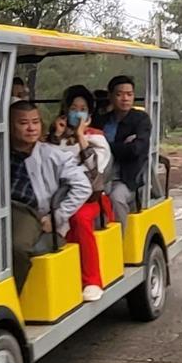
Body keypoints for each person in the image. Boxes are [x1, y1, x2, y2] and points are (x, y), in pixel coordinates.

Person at [5, 99, 90, 290]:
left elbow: (83, 187)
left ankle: (11, 297)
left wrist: (57, 217)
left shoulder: (54, 155)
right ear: (9, 126)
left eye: (35, 122)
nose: (31, 128)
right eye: (23, 123)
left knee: (17, 247)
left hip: (29, 211)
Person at [47, 85, 115, 301]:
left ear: (89, 114)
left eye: (82, 109)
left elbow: (95, 172)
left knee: (78, 219)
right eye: (73, 108)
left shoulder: (97, 139)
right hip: (57, 197)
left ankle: (92, 280)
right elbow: (47, 167)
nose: (78, 113)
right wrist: (56, 137)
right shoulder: (57, 139)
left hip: (90, 200)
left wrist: (80, 136)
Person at [98, 74, 152, 221]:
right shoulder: (102, 121)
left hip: (126, 178)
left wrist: (106, 147)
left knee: (117, 198)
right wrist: (122, 145)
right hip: (100, 176)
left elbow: (135, 150)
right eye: (119, 94)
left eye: (129, 94)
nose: (125, 98)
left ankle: (122, 234)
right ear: (110, 96)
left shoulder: (141, 119)